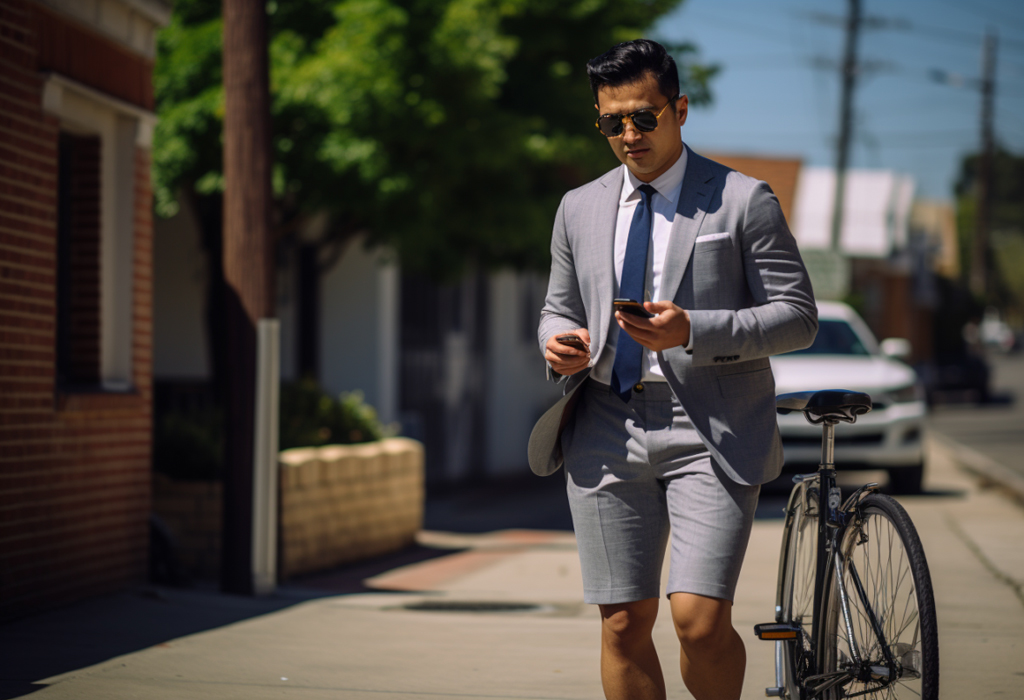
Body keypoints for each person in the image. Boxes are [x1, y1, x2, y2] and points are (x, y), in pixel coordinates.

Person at [527, 39, 817, 700]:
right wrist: (557, 342)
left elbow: (798, 316)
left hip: (711, 425)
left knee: (698, 620)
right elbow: (556, 308)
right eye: (612, 122)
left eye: (645, 117)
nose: (629, 135)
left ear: (679, 109)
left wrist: (695, 329)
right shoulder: (578, 207)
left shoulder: (743, 200)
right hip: (604, 421)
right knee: (624, 624)